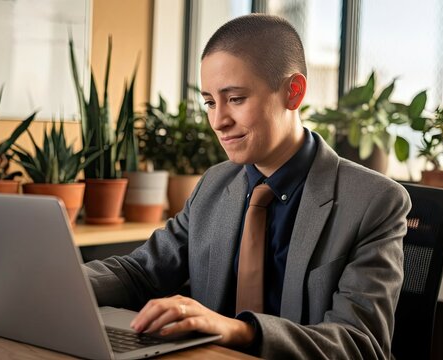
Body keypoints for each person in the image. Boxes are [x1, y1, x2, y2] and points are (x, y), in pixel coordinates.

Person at [84, 14, 410, 359]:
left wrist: (240, 331)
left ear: (293, 92)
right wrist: (60, 281)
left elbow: (360, 344)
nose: (218, 121)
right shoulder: (214, 184)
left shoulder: (375, 202)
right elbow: (140, 273)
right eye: (210, 102)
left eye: (235, 99)